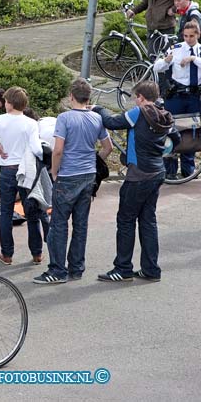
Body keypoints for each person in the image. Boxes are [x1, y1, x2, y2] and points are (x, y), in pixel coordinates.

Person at [93, 81, 175, 283]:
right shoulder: (163, 114)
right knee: (148, 221)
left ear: (140, 97)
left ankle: (122, 268)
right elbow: (176, 139)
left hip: (138, 175)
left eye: (134, 97)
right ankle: (151, 269)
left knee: (126, 220)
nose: (133, 100)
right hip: (157, 172)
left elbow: (112, 122)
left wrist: (97, 108)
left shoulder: (139, 112)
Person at [33, 79, 113, 284]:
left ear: (71, 96)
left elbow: (58, 149)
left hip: (68, 176)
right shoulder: (96, 118)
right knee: (80, 224)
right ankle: (76, 267)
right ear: (89, 98)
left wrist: (54, 171)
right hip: (88, 176)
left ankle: (57, 270)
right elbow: (107, 147)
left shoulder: (65, 118)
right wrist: (94, 161)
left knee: (59, 224)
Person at [0, 87, 45, 265]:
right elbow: (37, 149)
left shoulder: (0, 120)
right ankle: (36, 254)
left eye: (6, 101)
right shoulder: (30, 123)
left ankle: (7, 255)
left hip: (7, 171)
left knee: (5, 212)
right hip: (26, 171)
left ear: (10, 103)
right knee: (32, 213)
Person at [153, 21, 201, 179]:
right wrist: (166, 61)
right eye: (185, 36)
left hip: (194, 96)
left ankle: (188, 170)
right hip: (177, 96)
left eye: (191, 36)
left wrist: (193, 58)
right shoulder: (176, 49)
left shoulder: (199, 51)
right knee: (171, 130)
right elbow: (157, 67)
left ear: (198, 35)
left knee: (191, 132)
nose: (188, 39)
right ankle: (170, 171)